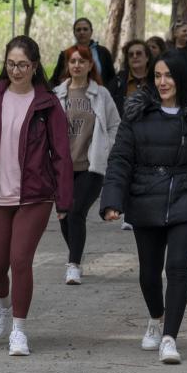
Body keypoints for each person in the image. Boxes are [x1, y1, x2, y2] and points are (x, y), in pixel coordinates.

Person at [100, 51, 187, 365]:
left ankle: (170, 338)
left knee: (177, 267)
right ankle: (156, 318)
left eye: (168, 76)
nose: (162, 82)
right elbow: (120, 159)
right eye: (157, 76)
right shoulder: (137, 113)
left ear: (181, 78)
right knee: (148, 273)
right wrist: (112, 200)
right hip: (145, 196)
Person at [0, 36, 73, 357]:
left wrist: (64, 200)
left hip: (34, 195)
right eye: (11, 64)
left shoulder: (47, 103)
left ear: (35, 66)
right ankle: (4, 305)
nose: (17, 70)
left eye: (23, 65)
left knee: (20, 260)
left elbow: (62, 154)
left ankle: (19, 330)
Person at [53, 45, 121, 285]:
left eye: (82, 61)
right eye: (73, 61)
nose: (77, 65)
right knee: (63, 215)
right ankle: (76, 253)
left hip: (91, 167)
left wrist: (106, 147)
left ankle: (73, 265)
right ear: (67, 65)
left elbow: (115, 125)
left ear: (90, 65)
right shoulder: (57, 94)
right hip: (62, 168)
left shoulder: (101, 94)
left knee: (75, 212)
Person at [51, 17, 120, 104]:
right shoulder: (65, 54)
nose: (82, 32)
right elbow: (55, 79)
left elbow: (111, 77)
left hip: (100, 99)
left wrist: (108, 94)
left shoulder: (103, 52)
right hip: (72, 99)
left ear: (91, 31)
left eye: (85, 29)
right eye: (78, 30)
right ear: (74, 33)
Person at [118, 39, 153, 103]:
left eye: (138, 53)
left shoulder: (156, 78)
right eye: (131, 54)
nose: (134, 56)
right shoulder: (118, 81)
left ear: (147, 57)